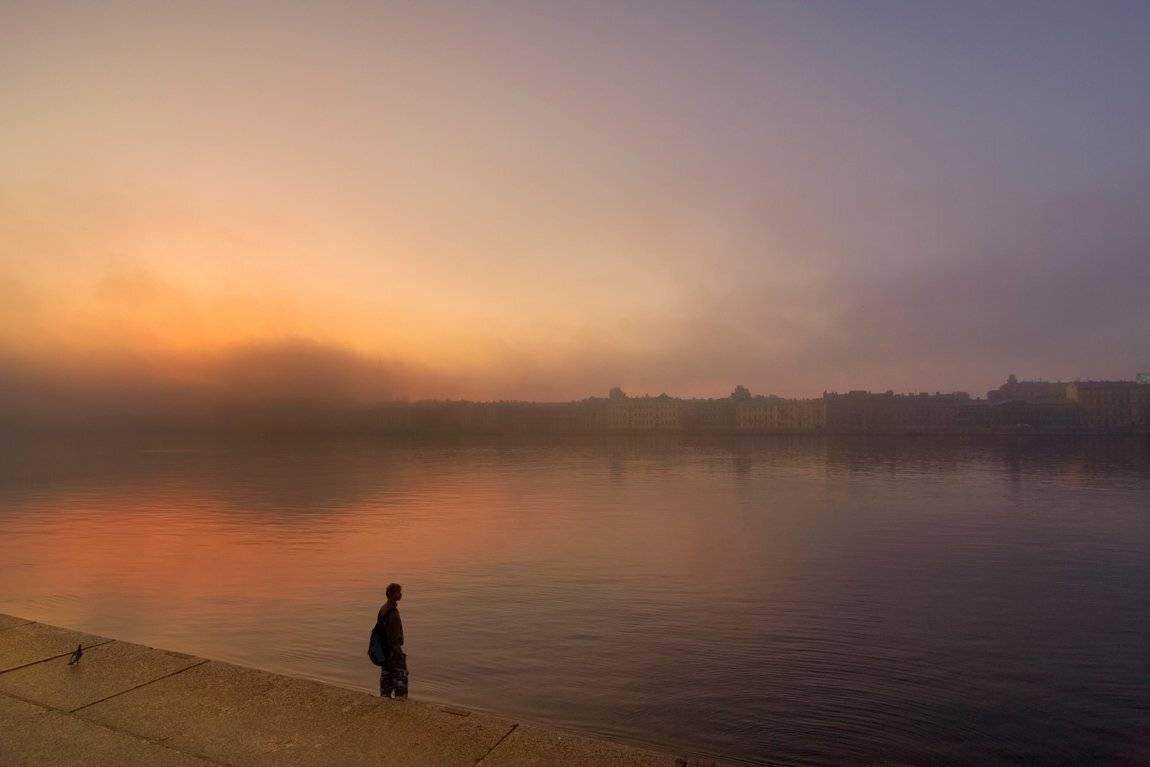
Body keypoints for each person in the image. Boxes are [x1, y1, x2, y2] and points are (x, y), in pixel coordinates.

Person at [375, 582, 408, 698]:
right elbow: (393, 638)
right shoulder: (393, 613)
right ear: (393, 594)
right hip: (393, 651)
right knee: (400, 679)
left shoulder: (383, 608)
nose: (401, 594)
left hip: (384, 651)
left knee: (386, 677)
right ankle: (400, 700)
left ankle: (385, 697)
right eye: (399, 592)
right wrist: (399, 654)